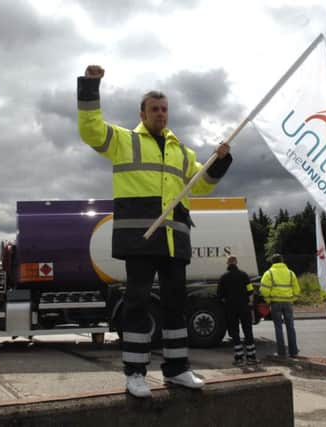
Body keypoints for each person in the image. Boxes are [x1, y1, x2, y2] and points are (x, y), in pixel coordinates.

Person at [78, 65, 232, 398]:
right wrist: (91, 87)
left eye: (164, 109)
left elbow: (201, 187)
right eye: (154, 109)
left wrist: (218, 162)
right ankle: (135, 374)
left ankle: (178, 370)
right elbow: (90, 130)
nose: (161, 114)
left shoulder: (183, 152)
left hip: (175, 239)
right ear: (142, 113)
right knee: (137, 303)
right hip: (140, 238)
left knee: (176, 305)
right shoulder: (125, 141)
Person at [217, 255, 257, 366]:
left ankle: (239, 358)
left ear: (228, 264)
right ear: (236, 263)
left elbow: (219, 295)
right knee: (247, 330)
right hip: (244, 306)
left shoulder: (223, 277)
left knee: (235, 332)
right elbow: (250, 290)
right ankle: (251, 357)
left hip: (231, 308)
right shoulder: (244, 275)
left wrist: (226, 300)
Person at [260, 254, 301, 358]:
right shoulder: (290, 273)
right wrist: (292, 299)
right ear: (282, 261)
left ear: (272, 262)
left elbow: (263, 290)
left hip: (275, 303)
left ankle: (281, 353)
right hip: (288, 303)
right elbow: (297, 289)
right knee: (290, 327)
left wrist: (268, 300)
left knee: (278, 328)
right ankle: (293, 352)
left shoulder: (269, 273)